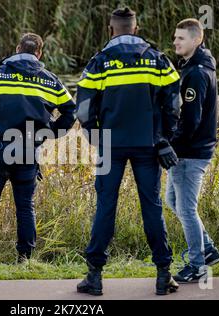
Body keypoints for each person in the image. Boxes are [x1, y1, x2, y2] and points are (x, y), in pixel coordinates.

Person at [76, 7, 181, 295]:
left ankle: (94, 277)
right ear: (136, 28)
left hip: (111, 145)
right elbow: (173, 103)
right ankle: (163, 275)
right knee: (152, 208)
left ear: (111, 29)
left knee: (105, 208)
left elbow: (83, 107)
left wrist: (96, 136)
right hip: (148, 145)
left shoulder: (99, 62)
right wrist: (164, 138)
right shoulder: (158, 59)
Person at [0, 33, 76, 263]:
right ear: (39, 53)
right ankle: (25, 258)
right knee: (25, 207)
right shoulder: (50, 80)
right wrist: (51, 132)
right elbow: (71, 111)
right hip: (29, 150)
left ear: (18, 48)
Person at [166, 18, 219, 283]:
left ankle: (198, 265)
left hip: (190, 152)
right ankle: (208, 249)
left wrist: (170, 145)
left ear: (196, 40)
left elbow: (190, 120)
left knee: (186, 209)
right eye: (175, 37)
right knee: (174, 201)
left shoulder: (197, 73)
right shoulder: (196, 66)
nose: (175, 41)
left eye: (181, 38)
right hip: (192, 149)